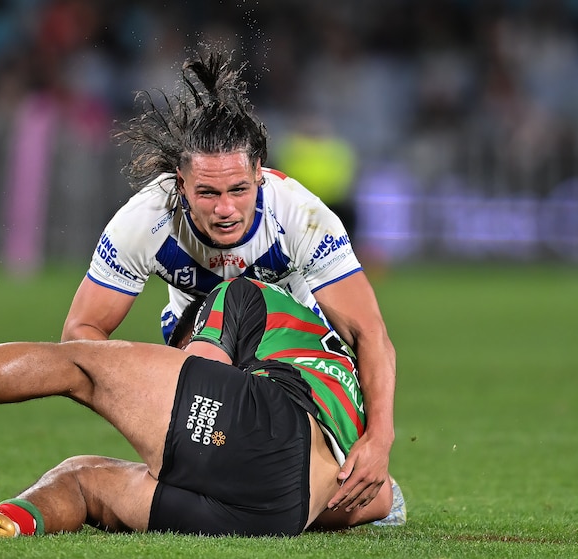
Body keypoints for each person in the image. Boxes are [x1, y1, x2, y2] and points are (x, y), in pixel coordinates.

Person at [61, 45, 397, 514]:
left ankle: (363, 485)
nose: (225, 209)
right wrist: (137, 394)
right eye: (207, 192)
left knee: (355, 493)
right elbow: (80, 335)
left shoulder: (300, 215)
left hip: (298, 353)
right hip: (197, 344)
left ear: (260, 175)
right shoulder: (146, 220)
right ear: (180, 184)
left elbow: (369, 333)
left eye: (239, 190)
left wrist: (379, 440)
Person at [0, 277, 403, 537]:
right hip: (279, 515)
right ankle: (7, 519)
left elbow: (202, 369)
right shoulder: (340, 382)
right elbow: (377, 498)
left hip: (261, 431)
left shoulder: (244, 293)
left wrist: (124, 383)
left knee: (77, 365)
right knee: (84, 481)